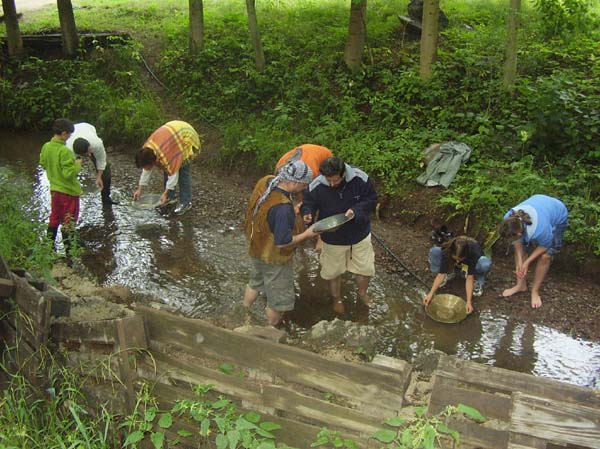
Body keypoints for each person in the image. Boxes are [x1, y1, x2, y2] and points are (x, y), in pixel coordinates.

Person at [243, 160, 319, 326]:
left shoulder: (267, 182)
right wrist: (307, 233)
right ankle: (270, 329)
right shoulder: (283, 209)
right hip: (274, 258)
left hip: (257, 247)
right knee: (277, 302)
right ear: (293, 181)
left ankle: (244, 312)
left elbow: (269, 214)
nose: (304, 188)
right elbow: (282, 243)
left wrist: (294, 209)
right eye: (303, 184)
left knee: (255, 282)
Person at [301, 157, 378, 314]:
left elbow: (371, 199)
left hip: (359, 233)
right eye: (328, 180)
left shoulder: (360, 179)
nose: (332, 184)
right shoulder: (317, 184)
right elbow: (308, 203)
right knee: (333, 271)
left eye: (335, 180)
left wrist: (357, 210)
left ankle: (362, 294)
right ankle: (337, 298)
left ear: (344, 173)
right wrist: (307, 213)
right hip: (332, 237)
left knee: (365, 268)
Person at [499, 194, 568, 308]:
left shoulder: (541, 229)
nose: (511, 241)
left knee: (545, 256)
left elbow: (545, 246)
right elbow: (517, 243)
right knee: (520, 253)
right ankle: (521, 285)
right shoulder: (509, 219)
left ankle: (535, 291)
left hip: (557, 212)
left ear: (519, 233)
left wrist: (528, 262)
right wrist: (521, 262)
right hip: (539, 203)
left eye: (513, 238)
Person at [133, 120, 201, 216]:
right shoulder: (146, 151)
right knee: (167, 169)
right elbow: (146, 170)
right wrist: (139, 189)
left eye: (146, 166)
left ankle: (186, 203)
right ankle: (170, 198)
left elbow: (173, 174)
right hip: (171, 135)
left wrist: (164, 192)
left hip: (185, 135)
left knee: (182, 172)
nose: (145, 168)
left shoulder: (166, 156)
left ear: (152, 162)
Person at [39, 118, 82, 257]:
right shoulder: (65, 151)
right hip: (69, 192)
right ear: (63, 133)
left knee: (55, 217)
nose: (69, 137)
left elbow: (43, 164)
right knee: (68, 221)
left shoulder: (46, 146)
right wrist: (77, 164)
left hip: (55, 190)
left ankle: (50, 248)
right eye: (69, 134)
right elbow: (68, 174)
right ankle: (69, 253)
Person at [423, 236, 492, 314]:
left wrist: (468, 302)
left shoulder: (473, 253)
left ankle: (477, 280)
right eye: (455, 258)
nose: (458, 260)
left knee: (484, 263)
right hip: (460, 264)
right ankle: (450, 271)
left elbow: (470, 278)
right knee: (434, 251)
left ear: (465, 255)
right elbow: (440, 275)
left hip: (474, 264)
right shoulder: (448, 250)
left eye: (460, 259)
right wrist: (431, 293)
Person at [66, 122, 119, 206]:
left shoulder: (96, 143)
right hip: (73, 138)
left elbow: (102, 160)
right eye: (87, 154)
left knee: (106, 170)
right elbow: (68, 172)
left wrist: (99, 177)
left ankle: (106, 199)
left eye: (89, 151)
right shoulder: (68, 151)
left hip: (87, 127)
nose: (89, 155)